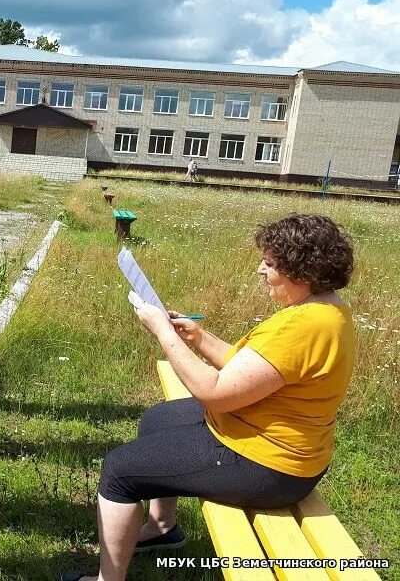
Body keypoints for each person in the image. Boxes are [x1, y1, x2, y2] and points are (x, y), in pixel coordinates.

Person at [62, 213, 355, 581]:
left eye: (269, 264)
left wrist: (161, 333)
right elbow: (254, 369)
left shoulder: (303, 326)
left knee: (119, 470)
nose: (259, 270)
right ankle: (162, 527)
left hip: (269, 468)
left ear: (302, 271)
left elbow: (213, 392)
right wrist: (199, 338)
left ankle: (108, 579)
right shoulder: (327, 311)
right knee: (158, 419)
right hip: (280, 448)